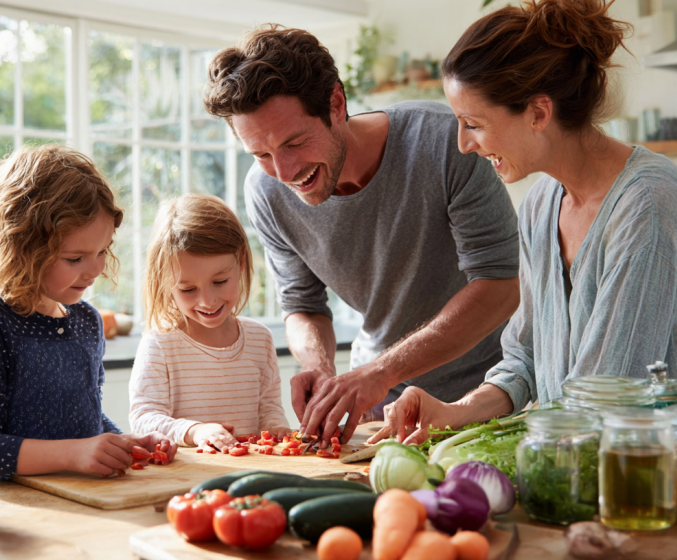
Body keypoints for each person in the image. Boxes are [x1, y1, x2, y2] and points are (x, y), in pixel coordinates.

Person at [370, 0, 677, 446]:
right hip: (613, 473)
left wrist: (476, 452)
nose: (464, 144)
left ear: (539, 113)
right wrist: (454, 412)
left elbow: (607, 392)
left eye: (473, 124)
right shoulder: (542, 205)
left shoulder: (649, 205)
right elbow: (523, 357)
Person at [203, 25, 521, 446]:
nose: (283, 171)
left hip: (487, 396)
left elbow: (501, 285)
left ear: (336, 104)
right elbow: (302, 304)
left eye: (294, 142)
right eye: (261, 154)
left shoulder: (444, 142)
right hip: (378, 410)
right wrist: (319, 366)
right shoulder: (265, 192)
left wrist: (379, 372)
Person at [0, 144, 176, 484]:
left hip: (86, 499)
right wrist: (75, 454)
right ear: (21, 249)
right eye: (75, 258)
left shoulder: (87, 321)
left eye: (102, 251)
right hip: (21, 512)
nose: (95, 269)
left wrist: (122, 442)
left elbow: (86, 419)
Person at [129, 194, 291, 450]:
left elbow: (269, 408)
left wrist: (277, 428)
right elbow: (143, 419)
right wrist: (194, 430)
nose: (207, 301)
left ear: (241, 263)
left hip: (252, 473)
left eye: (219, 282)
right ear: (166, 284)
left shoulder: (260, 339)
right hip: (189, 480)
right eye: (187, 289)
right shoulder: (160, 344)